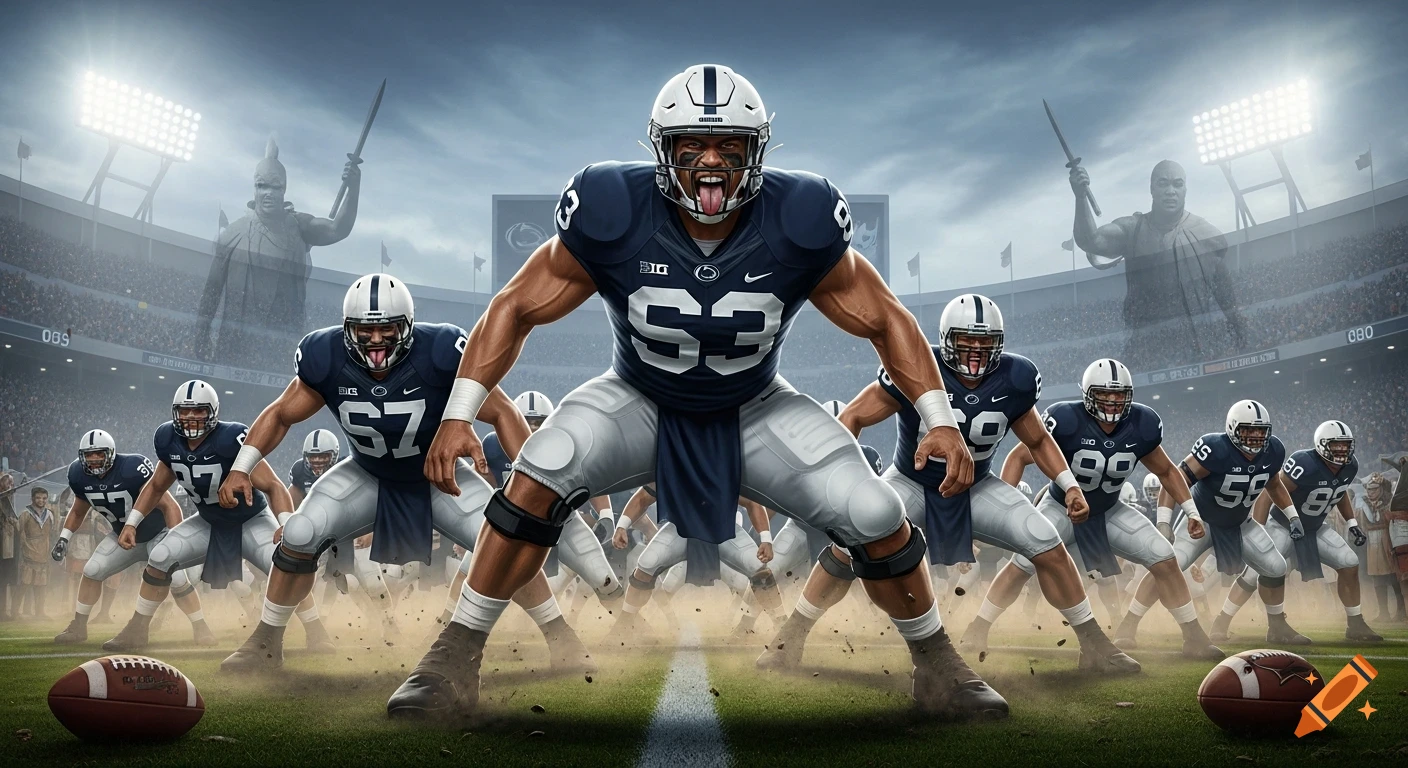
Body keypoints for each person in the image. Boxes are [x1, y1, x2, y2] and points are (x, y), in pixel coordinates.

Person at [390, 64, 996, 722]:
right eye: (692, 145)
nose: (711, 161)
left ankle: (938, 664)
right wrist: (459, 413)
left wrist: (938, 418)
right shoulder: (612, 206)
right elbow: (515, 306)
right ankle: (453, 656)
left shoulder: (801, 215)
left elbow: (886, 319)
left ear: (756, 150)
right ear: (663, 149)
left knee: (874, 510)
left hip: (754, 405)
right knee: (541, 468)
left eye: (730, 145)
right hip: (639, 397)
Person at [218, 274, 591, 673]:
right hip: (367, 472)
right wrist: (241, 467)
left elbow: (503, 412)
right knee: (299, 533)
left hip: (438, 474)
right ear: (348, 329)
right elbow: (280, 414)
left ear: (407, 326)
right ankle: (265, 642)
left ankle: (561, 637)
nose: (376, 340)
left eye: (387, 329)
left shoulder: (440, 351)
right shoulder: (324, 356)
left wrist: (532, 481)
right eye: (366, 330)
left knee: (506, 540)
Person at [760, 297, 1140, 675]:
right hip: (911, 482)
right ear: (946, 340)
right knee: (849, 544)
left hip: (975, 486)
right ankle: (790, 639)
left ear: (999, 344)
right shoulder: (917, 363)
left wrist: (1069, 485)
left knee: (1046, 542)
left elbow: (1038, 440)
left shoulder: (1016, 379)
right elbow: (854, 416)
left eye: (985, 343)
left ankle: (1096, 646)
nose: (975, 352)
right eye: (966, 341)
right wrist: (846, 484)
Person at [967, 359, 1222, 659]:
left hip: (1108, 510)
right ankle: (978, 626)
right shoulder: (1066, 420)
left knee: (1164, 558)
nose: (1112, 401)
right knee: (1022, 564)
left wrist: (1191, 511)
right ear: (1088, 394)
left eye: (1119, 394)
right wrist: (1006, 509)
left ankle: (1193, 637)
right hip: (1061, 507)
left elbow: (1167, 471)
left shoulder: (1141, 424)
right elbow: (1018, 457)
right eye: (1104, 393)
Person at [101, 383, 330, 653]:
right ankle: (137, 630)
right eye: (184, 411)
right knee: (160, 557)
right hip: (209, 521)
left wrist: (285, 524)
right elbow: (155, 486)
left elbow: (274, 486)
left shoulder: (230, 439)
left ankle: (316, 630)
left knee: (286, 567)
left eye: (199, 410)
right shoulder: (168, 440)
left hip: (251, 520)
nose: (190, 417)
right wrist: (131, 523)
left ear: (213, 412)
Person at [1114, 400, 1298, 646]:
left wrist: (1293, 515)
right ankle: (1128, 624)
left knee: (1276, 567)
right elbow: (1174, 480)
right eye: (1248, 430)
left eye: (1260, 430)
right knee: (1166, 566)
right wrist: (1164, 521)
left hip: (1239, 522)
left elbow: (1274, 485)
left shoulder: (1273, 450)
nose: (1255, 436)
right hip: (1201, 522)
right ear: (1233, 429)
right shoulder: (1214, 449)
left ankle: (1276, 626)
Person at [1207, 422, 1380, 642]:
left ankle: (1355, 623)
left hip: (1314, 528)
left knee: (1349, 563)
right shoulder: (1304, 463)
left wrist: (1352, 522)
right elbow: (1268, 494)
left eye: (1345, 445)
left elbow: (1340, 490)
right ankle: (1223, 621)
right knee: (1254, 574)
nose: (1342, 450)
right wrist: (1259, 530)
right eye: (1336, 445)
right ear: (1322, 445)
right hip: (1282, 525)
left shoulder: (1350, 466)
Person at [197, 138, 363, 363]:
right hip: (235, 345)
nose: (268, 193)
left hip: (281, 345)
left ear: (284, 189)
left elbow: (337, 229)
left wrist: (353, 188)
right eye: (261, 185)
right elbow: (212, 291)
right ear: (254, 188)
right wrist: (201, 335)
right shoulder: (232, 234)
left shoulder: (299, 226)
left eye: (275, 187)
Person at [1070, 160, 1248, 362]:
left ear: (1185, 190)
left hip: (1195, 342)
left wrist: (1238, 326)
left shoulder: (1205, 234)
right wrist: (1080, 197)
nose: (1170, 191)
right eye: (1163, 184)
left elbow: (1225, 292)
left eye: (1177, 184)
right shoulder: (1132, 229)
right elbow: (1091, 241)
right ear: (1152, 189)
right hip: (1145, 343)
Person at [19, 486, 56, 618]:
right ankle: (15, 612)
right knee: (24, 584)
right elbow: (21, 534)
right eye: (38, 498)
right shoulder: (25, 513)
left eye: (44, 498)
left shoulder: (50, 514)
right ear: (32, 498)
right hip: (28, 554)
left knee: (41, 585)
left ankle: (40, 613)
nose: (41, 500)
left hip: (43, 554)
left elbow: (52, 534)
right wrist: (25, 550)